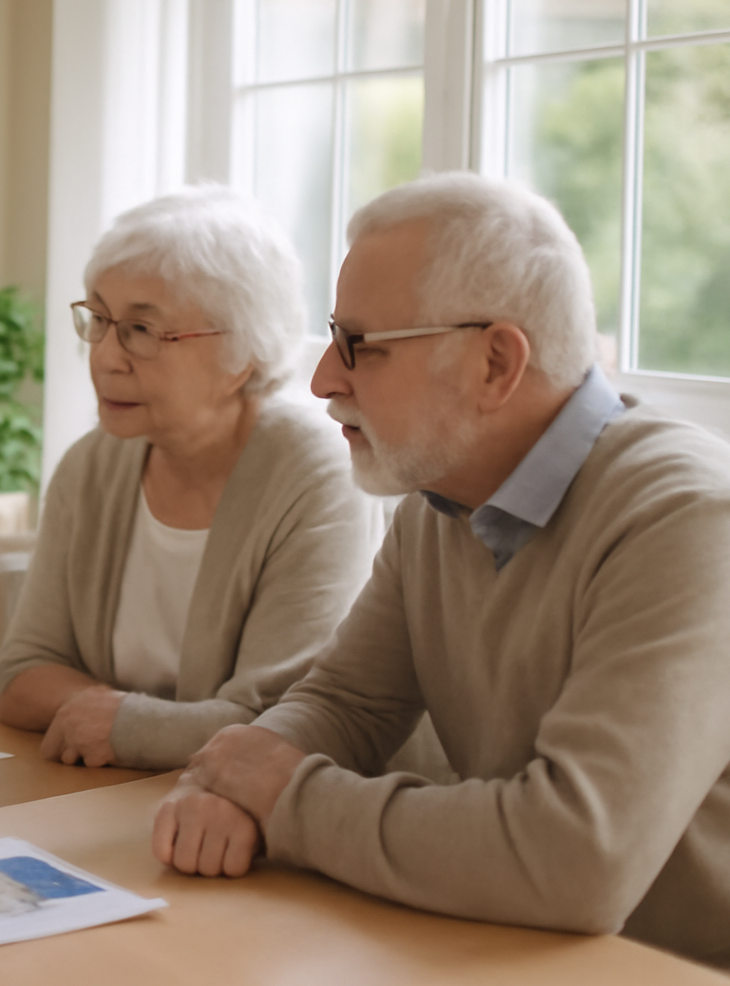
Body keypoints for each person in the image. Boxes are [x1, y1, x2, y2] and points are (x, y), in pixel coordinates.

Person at [152, 172, 730, 971]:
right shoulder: (440, 498)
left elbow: (577, 858)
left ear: (496, 362)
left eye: (363, 346)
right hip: (513, 954)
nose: (324, 377)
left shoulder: (690, 517)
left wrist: (285, 798)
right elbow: (345, 702)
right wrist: (225, 780)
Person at [0, 185, 380, 771]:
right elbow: (22, 675)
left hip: (251, 817)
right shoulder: (92, 465)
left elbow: (278, 722)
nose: (105, 356)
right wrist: (142, 724)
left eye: (143, 331)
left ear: (241, 355)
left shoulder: (317, 476)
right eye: (99, 319)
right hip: (103, 793)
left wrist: (116, 723)